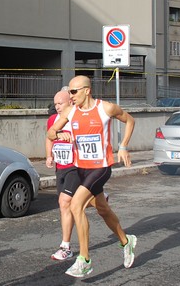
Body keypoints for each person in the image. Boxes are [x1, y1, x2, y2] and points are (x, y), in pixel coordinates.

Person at [47, 75, 137, 278]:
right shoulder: (70, 112)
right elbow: (51, 132)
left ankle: (85, 260)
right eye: (69, 92)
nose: (71, 96)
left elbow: (130, 120)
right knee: (103, 209)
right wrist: (59, 134)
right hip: (81, 169)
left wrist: (123, 146)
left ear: (86, 90)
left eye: (73, 92)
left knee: (76, 205)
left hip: (101, 168)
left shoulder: (106, 108)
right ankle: (126, 241)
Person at [46, 89, 108, 261]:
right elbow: (49, 137)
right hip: (61, 167)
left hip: (76, 167)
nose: (57, 107)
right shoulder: (53, 119)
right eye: (55, 104)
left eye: (61, 103)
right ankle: (96, 198)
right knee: (67, 205)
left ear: (71, 102)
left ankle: (65, 247)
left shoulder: (77, 118)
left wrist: (72, 138)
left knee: (64, 202)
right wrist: (49, 155)